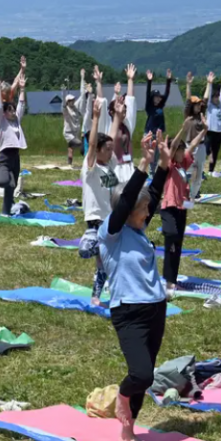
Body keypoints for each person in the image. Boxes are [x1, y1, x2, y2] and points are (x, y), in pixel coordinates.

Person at [99, 131, 170, 441]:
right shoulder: (112, 233)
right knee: (140, 375)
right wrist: (143, 162)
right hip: (128, 312)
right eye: (143, 212)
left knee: (148, 376)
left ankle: (129, 431)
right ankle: (123, 396)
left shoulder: (138, 227)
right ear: (128, 213)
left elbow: (150, 194)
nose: (148, 214)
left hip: (155, 307)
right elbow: (129, 198)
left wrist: (164, 164)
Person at [79, 95, 120, 307]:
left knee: (107, 263)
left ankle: (98, 297)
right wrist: (95, 117)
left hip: (110, 219)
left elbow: (110, 137)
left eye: (112, 149)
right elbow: (94, 142)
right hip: (96, 220)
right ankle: (87, 245)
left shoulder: (109, 164)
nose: (111, 152)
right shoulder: (91, 167)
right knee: (98, 256)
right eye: (107, 149)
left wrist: (118, 117)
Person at [161, 117, 207, 297]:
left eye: (182, 150)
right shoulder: (169, 165)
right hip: (169, 207)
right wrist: (182, 128)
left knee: (177, 246)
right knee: (171, 240)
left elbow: (193, 145)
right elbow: (171, 150)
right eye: (179, 150)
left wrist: (204, 131)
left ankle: (172, 281)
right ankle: (168, 281)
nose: (182, 152)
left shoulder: (182, 164)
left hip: (181, 208)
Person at [0, 70, 27, 215]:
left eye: (13, 110)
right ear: (5, 113)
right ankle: (3, 177)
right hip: (4, 157)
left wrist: (22, 88)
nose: (13, 112)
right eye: (10, 110)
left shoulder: (17, 121)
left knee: (11, 189)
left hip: (15, 156)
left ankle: (5, 212)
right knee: (3, 182)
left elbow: (21, 104)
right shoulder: (2, 122)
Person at [183, 73, 207, 200]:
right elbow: (187, 101)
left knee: (199, 173)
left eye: (199, 105)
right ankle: (185, 193)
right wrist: (188, 84)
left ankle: (193, 196)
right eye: (196, 104)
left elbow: (206, 100)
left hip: (201, 146)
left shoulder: (201, 115)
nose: (199, 106)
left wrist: (209, 83)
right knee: (188, 170)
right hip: (189, 146)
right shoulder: (188, 115)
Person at [205, 70, 221, 176]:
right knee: (207, 149)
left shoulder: (220, 105)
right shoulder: (209, 105)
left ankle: (211, 171)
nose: (217, 98)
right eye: (215, 97)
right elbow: (208, 95)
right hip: (210, 131)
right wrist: (209, 83)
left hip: (219, 132)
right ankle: (209, 157)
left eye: (218, 97)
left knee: (216, 151)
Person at [63, 69, 84, 167]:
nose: (73, 101)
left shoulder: (76, 107)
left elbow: (82, 94)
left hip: (75, 132)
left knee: (71, 149)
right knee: (81, 144)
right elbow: (63, 106)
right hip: (68, 133)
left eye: (73, 99)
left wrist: (82, 78)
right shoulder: (66, 110)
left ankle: (69, 163)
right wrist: (63, 93)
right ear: (67, 102)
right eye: (70, 100)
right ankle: (87, 158)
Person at [144, 68, 172, 137]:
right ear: (152, 98)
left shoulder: (160, 106)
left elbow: (167, 93)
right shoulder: (149, 107)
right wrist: (149, 81)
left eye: (158, 97)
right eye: (156, 97)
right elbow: (148, 94)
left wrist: (168, 80)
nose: (158, 98)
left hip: (159, 134)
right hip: (149, 134)